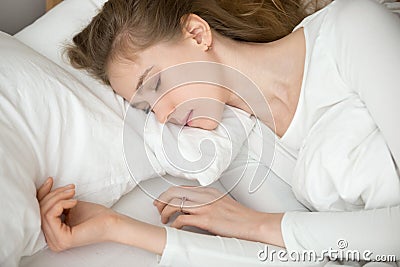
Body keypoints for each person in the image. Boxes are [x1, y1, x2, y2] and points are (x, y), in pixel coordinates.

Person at [37, 0, 400, 266]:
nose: (163, 117)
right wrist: (116, 228)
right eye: (147, 109)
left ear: (197, 34)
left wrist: (254, 224)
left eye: (157, 83)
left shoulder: (352, 27)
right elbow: (306, 260)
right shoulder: (245, 149)